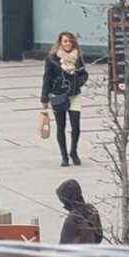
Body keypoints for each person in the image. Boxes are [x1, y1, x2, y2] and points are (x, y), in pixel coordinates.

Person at [41, 31, 88, 166]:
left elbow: (84, 73)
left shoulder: (78, 57)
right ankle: (64, 156)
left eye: (70, 41)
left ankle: (73, 151)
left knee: (76, 126)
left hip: (74, 94)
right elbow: (47, 78)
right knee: (61, 126)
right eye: (65, 41)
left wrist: (78, 81)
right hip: (58, 95)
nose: (68, 44)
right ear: (60, 43)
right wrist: (44, 98)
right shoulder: (52, 58)